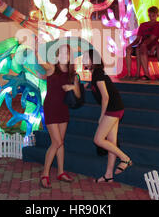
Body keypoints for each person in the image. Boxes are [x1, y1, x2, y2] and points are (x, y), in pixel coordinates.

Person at [83, 49, 132, 183]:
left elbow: (105, 96)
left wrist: (102, 115)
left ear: (94, 61)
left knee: (98, 140)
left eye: (86, 57)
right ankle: (108, 175)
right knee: (111, 142)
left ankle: (125, 158)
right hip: (116, 108)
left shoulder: (98, 73)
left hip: (112, 109)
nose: (83, 59)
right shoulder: (96, 74)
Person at [36, 43, 81, 189]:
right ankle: (45, 174)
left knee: (61, 141)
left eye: (66, 53)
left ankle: (61, 172)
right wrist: (37, 48)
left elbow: (79, 95)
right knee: (56, 142)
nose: (63, 55)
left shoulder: (72, 74)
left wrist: (73, 87)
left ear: (69, 56)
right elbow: (41, 61)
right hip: (50, 108)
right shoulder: (51, 69)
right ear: (56, 55)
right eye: (60, 52)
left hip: (63, 109)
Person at [122, 6, 159, 81]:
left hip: (151, 46)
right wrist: (130, 45)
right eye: (150, 15)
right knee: (129, 49)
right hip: (141, 45)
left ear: (157, 15)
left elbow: (154, 38)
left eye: (153, 15)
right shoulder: (143, 25)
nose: (151, 17)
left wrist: (145, 45)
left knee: (139, 50)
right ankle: (129, 74)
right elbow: (138, 39)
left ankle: (140, 74)